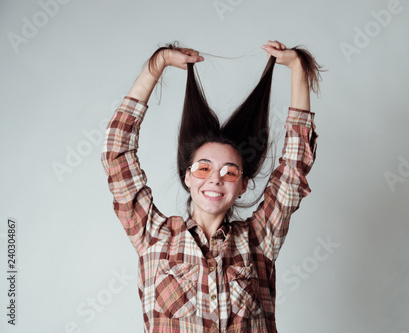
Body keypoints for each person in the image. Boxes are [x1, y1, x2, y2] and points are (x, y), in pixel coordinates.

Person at [101, 40, 320, 333]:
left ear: (243, 185)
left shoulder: (258, 239)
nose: (215, 179)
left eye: (229, 172)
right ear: (187, 176)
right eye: (204, 168)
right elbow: (118, 153)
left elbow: (294, 168)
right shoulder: (152, 236)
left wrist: (297, 68)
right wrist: (158, 65)